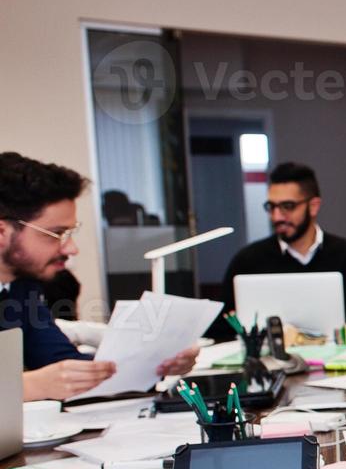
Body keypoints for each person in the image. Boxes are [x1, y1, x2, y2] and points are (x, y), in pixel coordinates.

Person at [0, 152, 198, 400]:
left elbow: (62, 363)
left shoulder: (21, 288)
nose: (71, 249)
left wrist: (156, 364)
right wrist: (28, 386)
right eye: (56, 234)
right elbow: (43, 381)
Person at [221, 162, 346, 325]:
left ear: (313, 206)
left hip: (340, 349)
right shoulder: (247, 260)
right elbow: (221, 327)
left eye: (287, 206)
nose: (277, 217)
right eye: (271, 206)